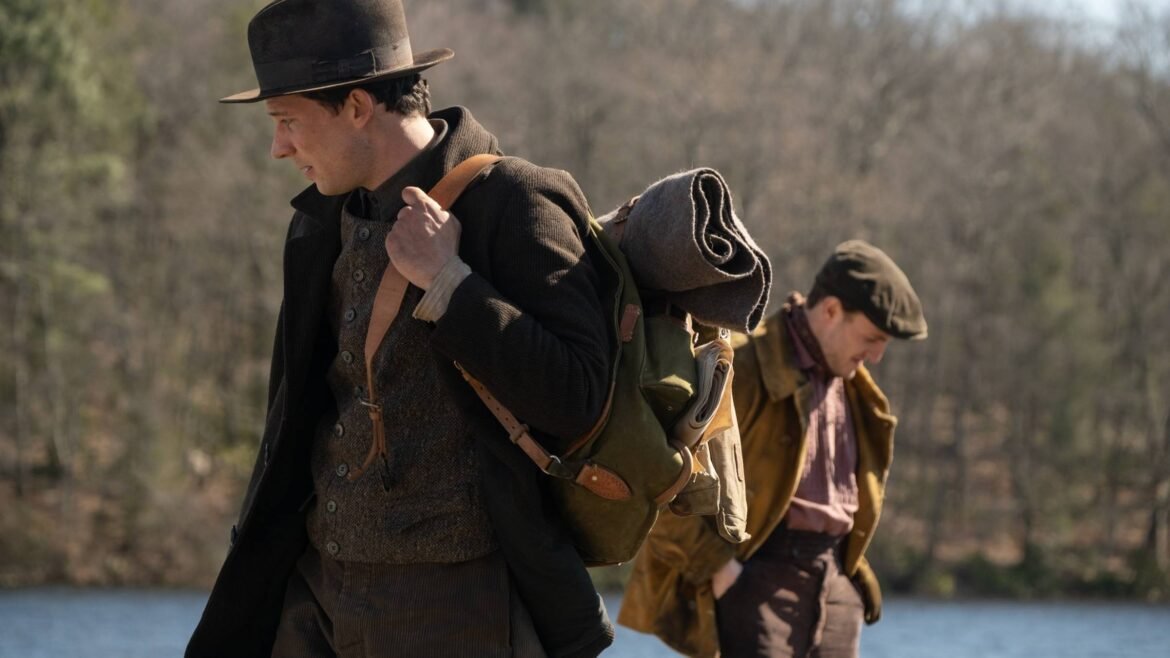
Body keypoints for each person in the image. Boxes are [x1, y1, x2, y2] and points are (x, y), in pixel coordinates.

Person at [185, 1, 615, 656]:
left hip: (456, 605)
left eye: (287, 121)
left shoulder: (516, 200)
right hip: (313, 591)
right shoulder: (319, 220)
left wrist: (450, 283)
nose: (278, 148)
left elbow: (579, 396)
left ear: (358, 106)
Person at [619, 240, 927, 657]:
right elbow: (658, 478)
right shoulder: (741, 366)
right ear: (831, 310)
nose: (876, 357)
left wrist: (851, 578)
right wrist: (720, 571)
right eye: (872, 338)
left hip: (836, 583)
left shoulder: (858, 388)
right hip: (757, 578)